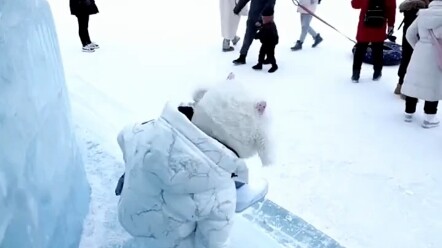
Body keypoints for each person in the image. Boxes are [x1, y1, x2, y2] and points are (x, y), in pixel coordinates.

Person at [115, 74, 274, 247]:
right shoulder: (221, 195)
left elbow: (125, 136)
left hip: (128, 217)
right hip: (169, 242)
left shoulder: (143, 131)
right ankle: (239, 188)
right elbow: (211, 243)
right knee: (215, 190)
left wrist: (130, 170)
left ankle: (238, 185)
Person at [400, 0, 442, 128]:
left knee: (414, 82)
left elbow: (409, 33)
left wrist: (418, 46)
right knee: (433, 85)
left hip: (420, 51)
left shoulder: (422, 14)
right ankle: (429, 118)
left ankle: (408, 112)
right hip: (437, 53)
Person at [351, 0, 396, 83]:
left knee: (360, 50)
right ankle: (377, 73)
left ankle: (355, 74)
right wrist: (391, 25)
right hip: (379, 26)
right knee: (378, 50)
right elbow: (391, 10)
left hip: (365, 27)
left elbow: (355, 5)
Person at [395, 0, 430, 96]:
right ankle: (409, 91)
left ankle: (400, 85)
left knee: (406, 57)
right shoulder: (424, 10)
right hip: (421, 38)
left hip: (408, 35)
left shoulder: (409, 8)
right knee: (417, 61)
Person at [232, 0, 276, 65]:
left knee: (268, 39)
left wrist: (260, 18)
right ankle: (242, 56)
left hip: (265, 19)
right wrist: (237, 9)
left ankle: (269, 57)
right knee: (248, 36)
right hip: (253, 16)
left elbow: (270, 5)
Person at [252, 7, 279, 73]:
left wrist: (256, 36)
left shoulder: (269, 27)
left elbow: (262, 34)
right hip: (266, 43)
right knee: (261, 53)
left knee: (270, 54)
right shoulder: (268, 24)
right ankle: (259, 64)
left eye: (264, 18)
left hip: (270, 43)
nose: (263, 19)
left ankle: (274, 65)